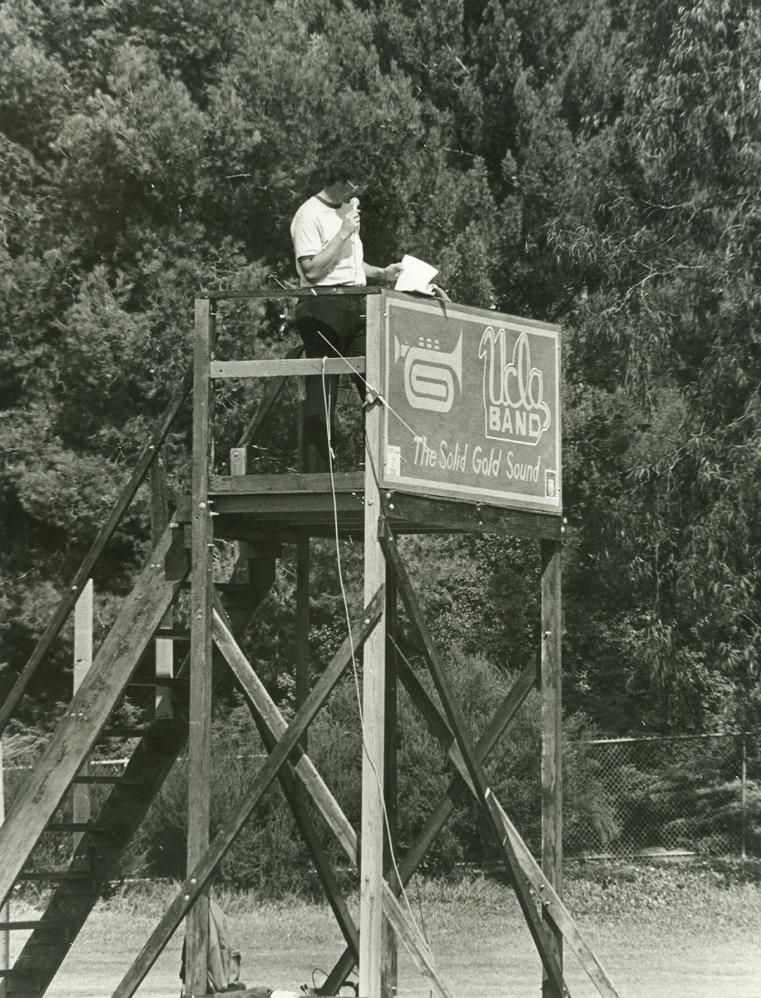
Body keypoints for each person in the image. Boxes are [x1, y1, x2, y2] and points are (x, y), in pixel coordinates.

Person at [290, 170, 402, 471]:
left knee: (375, 384)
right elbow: (313, 270)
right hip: (322, 306)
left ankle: (384, 471)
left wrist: (382, 273)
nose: (359, 191)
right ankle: (316, 480)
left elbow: (349, 263)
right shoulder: (308, 214)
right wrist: (343, 232)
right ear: (338, 179)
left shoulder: (346, 212)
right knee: (321, 395)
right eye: (356, 184)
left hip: (356, 304)